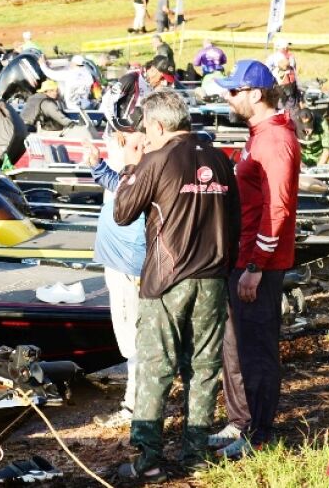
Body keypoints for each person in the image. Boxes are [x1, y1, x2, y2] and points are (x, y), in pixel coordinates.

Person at [113, 89, 239, 481]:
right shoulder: (220, 159)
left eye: (146, 131)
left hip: (168, 280)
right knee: (203, 367)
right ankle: (195, 454)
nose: (144, 138)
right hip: (214, 277)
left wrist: (130, 166)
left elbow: (121, 212)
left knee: (157, 366)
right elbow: (235, 218)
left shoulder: (156, 158)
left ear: (159, 125)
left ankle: (147, 458)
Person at [210, 59, 299, 459]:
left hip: (258, 266)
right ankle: (239, 420)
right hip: (241, 259)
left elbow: (277, 209)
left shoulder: (275, 140)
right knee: (235, 346)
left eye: (235, 91)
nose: (229, 97)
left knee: (257, 350)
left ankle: (260, 433)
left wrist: (255, 267)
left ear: (256, 94)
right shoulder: (257, 133)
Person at [84, 111, 147, 429]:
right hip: (120, 264)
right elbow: (119, 187)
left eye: (127, 135)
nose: (120, 140)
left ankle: (134, 408)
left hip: (128, 267)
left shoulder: (144, 168)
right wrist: (97, 166)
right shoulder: (133, 170)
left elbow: (130, 201)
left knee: (132, 341)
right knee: (131, 339)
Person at [265, 39, 299, 109]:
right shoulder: (280, 56)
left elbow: (267, 69)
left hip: (282, 85)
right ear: (282, 47)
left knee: (281, 105)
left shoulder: (274, 57)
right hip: (286, 85)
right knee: (288, 104)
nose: (287, 48)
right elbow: (285, 66)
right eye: (286, 46)